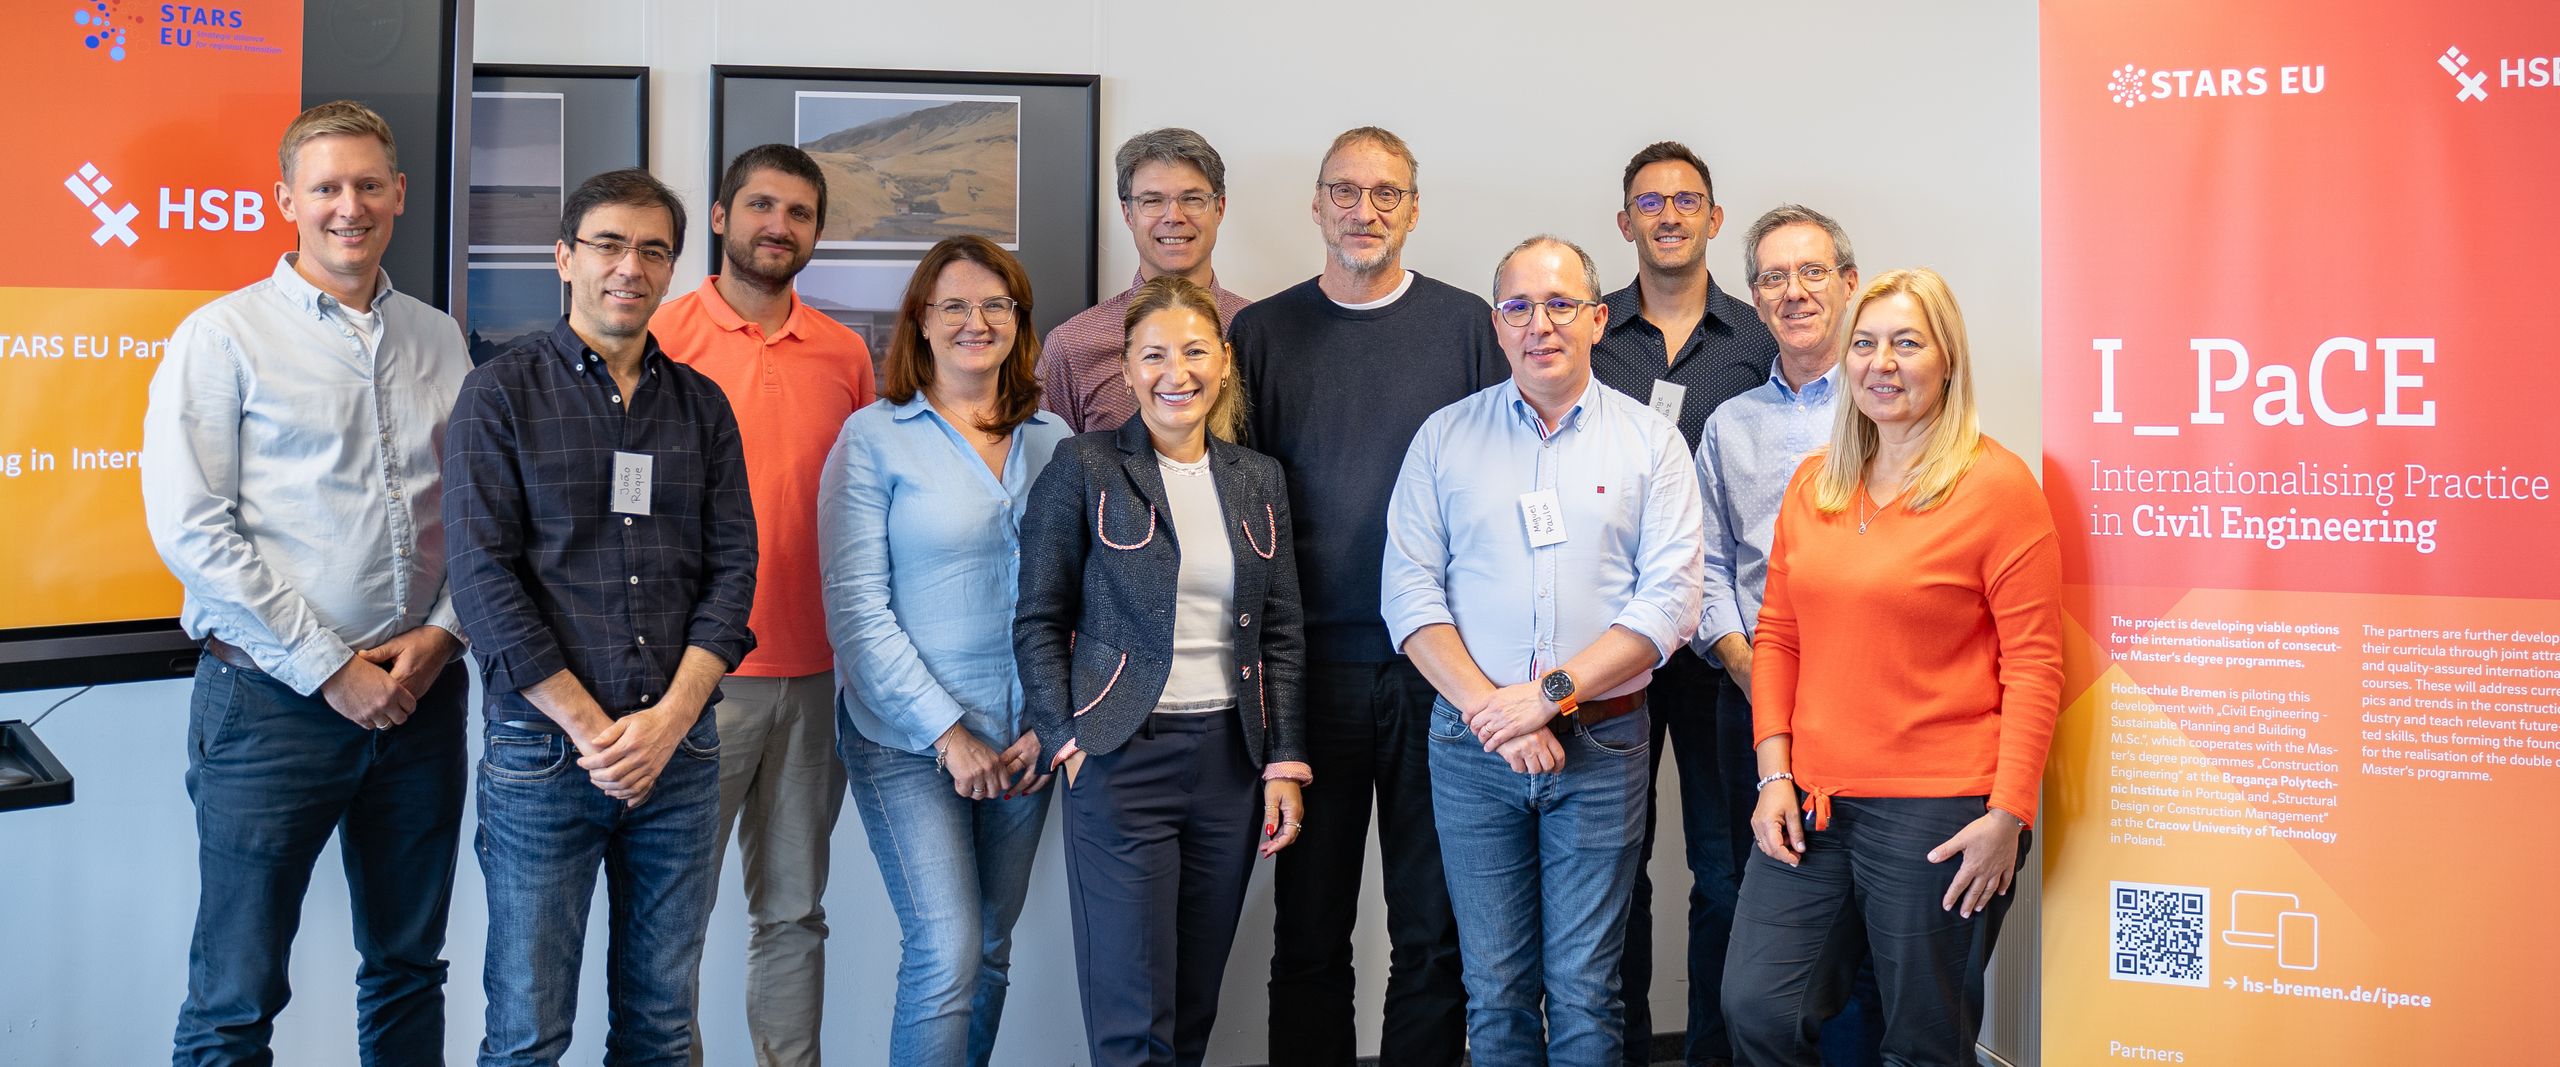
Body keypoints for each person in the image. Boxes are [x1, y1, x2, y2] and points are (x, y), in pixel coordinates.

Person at [143, 99, 471, 1067]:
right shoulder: (222, 336)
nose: (348, 206)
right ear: (286, 200)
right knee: (236, 997)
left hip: (421, 697)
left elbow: (478, 510)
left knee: (408, 967)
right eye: (326, 187)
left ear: (399, 193)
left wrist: (446, 632)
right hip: (270, 705)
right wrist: (332, 667)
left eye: (368, 184)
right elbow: (193, 528)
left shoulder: (440, 338)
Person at [444, 168, 758, 1066]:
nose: (631, 267)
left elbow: (734, 570)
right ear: (564, 257)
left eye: (653, 250)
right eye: (609, 244)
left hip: (680, 758)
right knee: (528, 1033)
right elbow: (483, 582)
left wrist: (668, 722)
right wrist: (597, 733)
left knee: (661, 1029)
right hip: (543, 757)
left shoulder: (701, 405)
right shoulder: (499, 394)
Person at [1722, 268, 2062, 1067]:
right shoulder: (1816, 484)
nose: (1882, 362)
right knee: (1758, 1007)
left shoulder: (1997, 486)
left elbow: (2036, 665)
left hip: (1941, 812)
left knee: (1921, 1042)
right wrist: (1774, 774)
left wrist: (2009, 815)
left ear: (1947, 359)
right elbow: (1778, 636)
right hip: (1813, 803)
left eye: (1907, 343)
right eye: (1866, 343)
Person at [1383, 235, 1704, 1067]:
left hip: (1603, 740)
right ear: (1497, 324)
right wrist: (1497, 713)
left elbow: (1671, 603)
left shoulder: (1650, 443)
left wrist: (1547, 695)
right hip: (1472, 746)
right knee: (1494, 988)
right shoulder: (1444, 438)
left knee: (1587, 988)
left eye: (1561, 304)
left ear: (1597, 319)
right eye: (1519, 307)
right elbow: (1410, 595)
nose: (1540, 324)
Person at [1234, 125, 1502, 1067]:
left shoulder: (1470, 326)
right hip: (1309, 672)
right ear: (1316, 205)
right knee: (1309, 928)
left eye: (1386, 193)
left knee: (1434, 926)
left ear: (1414, 210)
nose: (1364, 210)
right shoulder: (1261, 334)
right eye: (1345, 191)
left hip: (1441, 671)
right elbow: (1239, 505)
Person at [1015, 275, 1311, 1067]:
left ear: (1224, 362)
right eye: (1153, 355)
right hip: (1121, 758)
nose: (1175, 372)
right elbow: (1038, 617)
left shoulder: (1258, 477)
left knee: (1190, 1007)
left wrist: (1284, 759)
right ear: (1127, 367)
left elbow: (1281, 629)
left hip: (1230, 764)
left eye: (1194, 351)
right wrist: (1065, 738)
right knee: (1132, 1016)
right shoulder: (1085, 465)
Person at [818, 236, 1069, 1066]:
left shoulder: (1055, 439)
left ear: (1019, 321)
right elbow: (855, 610)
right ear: (921, 322)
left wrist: (1049, 722)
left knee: (990, 947)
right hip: (905, 740)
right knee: (947, 947)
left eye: (996, 304)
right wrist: (946, 733)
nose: (976, 321)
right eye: (954, 305)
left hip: (1024, 737)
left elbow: (1083, 596)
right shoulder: (873, 438)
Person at [651, 142, 873, 1067]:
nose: (778, 226)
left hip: (819, 677)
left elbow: (864, 505)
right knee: (672, 918)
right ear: (720, 217)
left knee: (793, 911)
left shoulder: (844, 352)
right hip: (696, 682)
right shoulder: (661, 334)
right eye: (760, 206)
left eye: (799, 213)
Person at [1586, 141, 1779, 1067]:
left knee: (1725, 871)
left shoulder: (1758, 339)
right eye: (1651, 201)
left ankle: (1713, 1053)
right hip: (1608, 643)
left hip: (1717, 650)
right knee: (1612, 873)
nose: (1669, 215)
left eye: (1687, 199)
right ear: (1625, 221)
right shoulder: (1587, 332)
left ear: (1714, 217)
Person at [1695, 206, 1881, 1067]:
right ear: (1755, 297)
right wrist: (1746, 666)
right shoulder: (1731, 425)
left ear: (1849, 283)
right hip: (1757, 703)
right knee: (1766, 904)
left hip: (1877, 706)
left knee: (1873, 921)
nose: (1793, 292)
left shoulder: (1891, 401)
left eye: (1812, 272)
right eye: (1773, 277)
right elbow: (1705, 565)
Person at [1040, 128, 1253, 432]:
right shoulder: (1072, 347)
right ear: (1128, 214)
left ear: (1219, 209)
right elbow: (1050, 458)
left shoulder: (1261, 333)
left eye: (1192, 199)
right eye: (1152, 200)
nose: (1174, 216)